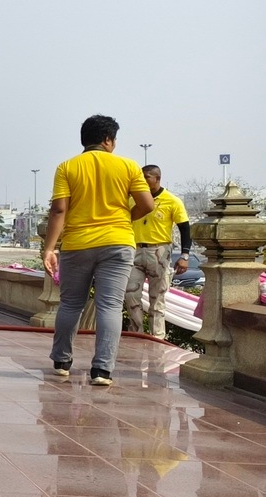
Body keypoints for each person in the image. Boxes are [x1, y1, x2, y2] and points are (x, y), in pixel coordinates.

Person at [41, 115, 154, 385]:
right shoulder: (128, 165)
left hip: (78, 243)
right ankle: (102, 370)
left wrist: (49, 248)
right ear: (107, 140)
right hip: (118, 242)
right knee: (110, 305)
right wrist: (125, 217)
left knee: (70, 303)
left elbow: (59, 209)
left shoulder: (67, 167)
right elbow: (147, 205)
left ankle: (61, 361)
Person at [125, 164, 191, 342]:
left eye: (146, 177)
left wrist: (185, 256)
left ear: (157, 178)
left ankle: (157, 338)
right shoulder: (132, 199)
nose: (143, 180)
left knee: (157, 298)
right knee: (130, 294)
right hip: (135, 249)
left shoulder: (172, 200)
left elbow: (185, 229)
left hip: (159, 251)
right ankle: (136, 333)